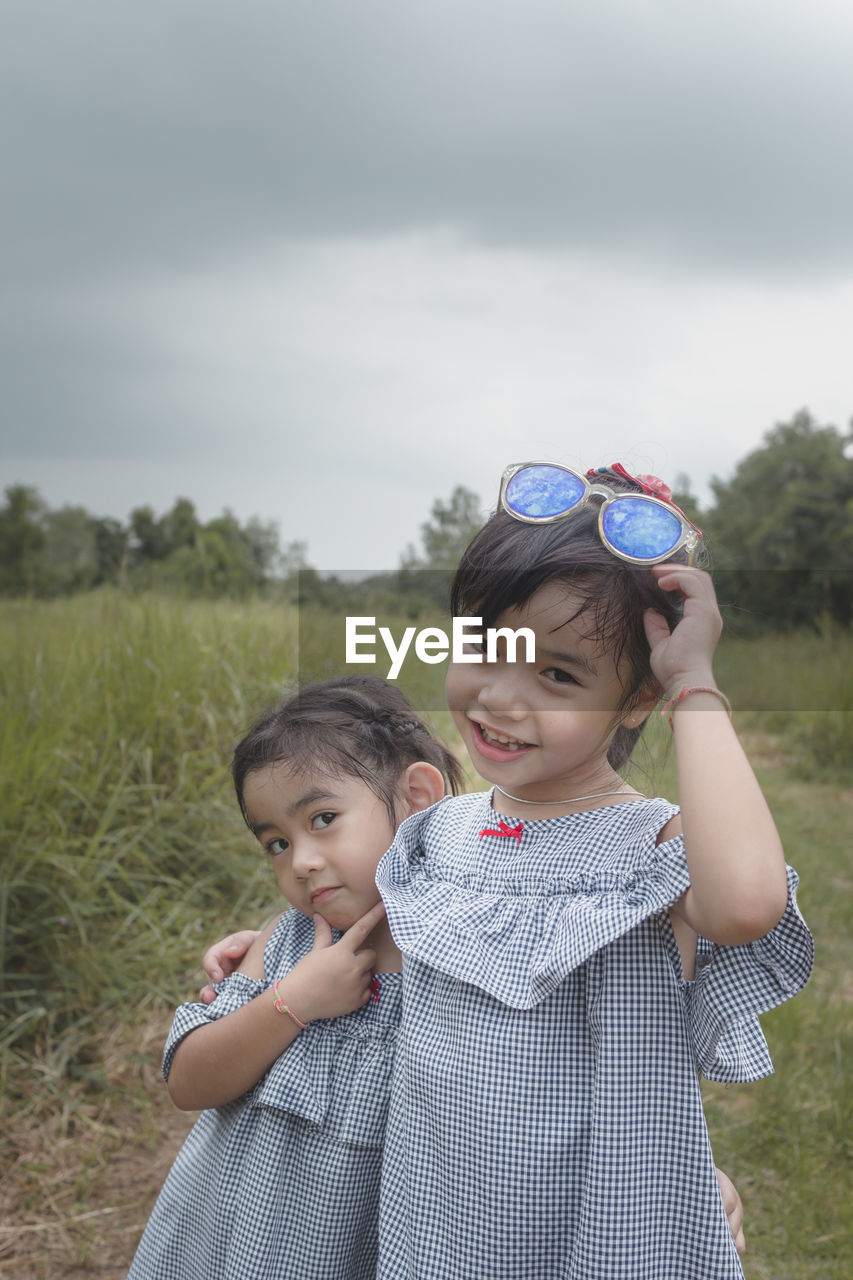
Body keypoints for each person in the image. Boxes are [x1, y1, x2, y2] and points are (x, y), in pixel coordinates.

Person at [369, 462, 813, 1279]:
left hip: (591, 1231)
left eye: (558, 676)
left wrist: (695, 682)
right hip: (431, 1221)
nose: (502, 699)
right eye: (487, 646)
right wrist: (263, 953)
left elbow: (747, 903)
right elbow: (382, 964)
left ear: (637, 699)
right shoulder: (439, 835)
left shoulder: (648, 854)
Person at [127, 677, 458, 1280]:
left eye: (324, 818)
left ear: (416, 797)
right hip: (232, 1236)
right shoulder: (283, 947)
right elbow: (187, 1081)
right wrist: (292, 1002)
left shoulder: (459, 964)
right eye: (277, 843)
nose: (300, 861)